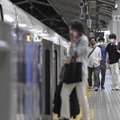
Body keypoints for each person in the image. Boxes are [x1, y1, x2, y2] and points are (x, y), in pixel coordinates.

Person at [60, 20, 90, 120]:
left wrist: (72, 42)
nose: (70, 31)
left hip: (80, 72)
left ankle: (86, 117)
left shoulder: (84, 39)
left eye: (71, 29)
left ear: (77, 29)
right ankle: (65, 116)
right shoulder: (75, 39)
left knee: (81, 97)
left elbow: (75, 53)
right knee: (64, 93)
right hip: (72, 71)